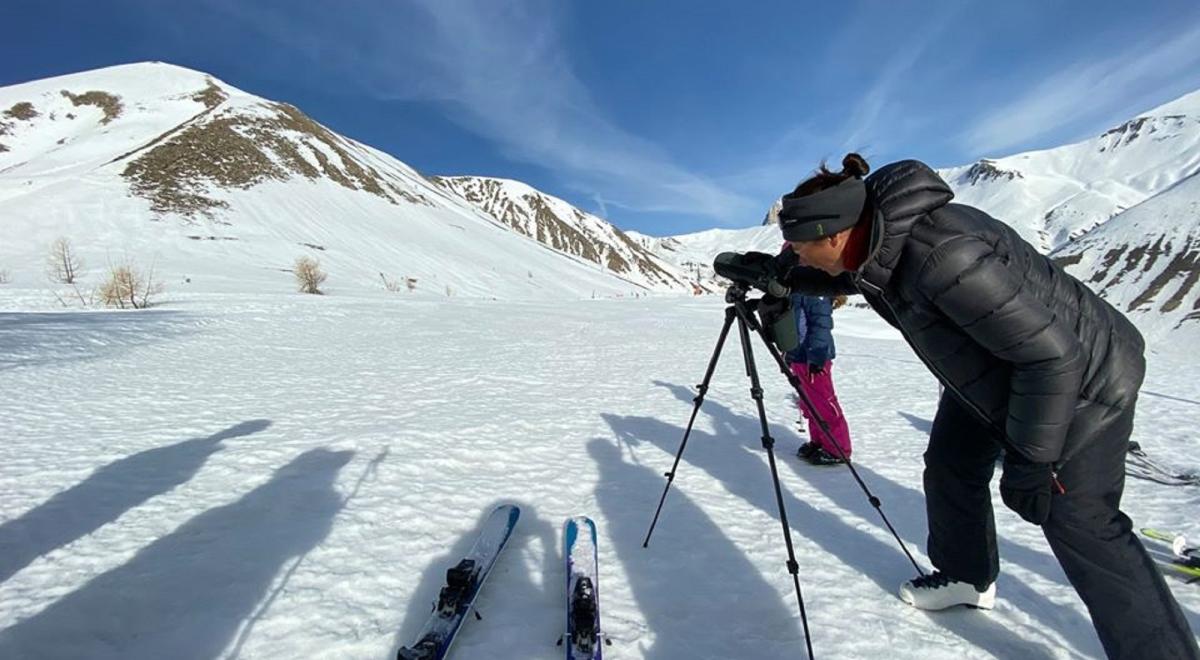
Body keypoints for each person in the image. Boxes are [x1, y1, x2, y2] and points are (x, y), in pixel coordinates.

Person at [769, 153, 1198, 659]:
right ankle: (967, 577)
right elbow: (856, 276)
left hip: (1082, 381)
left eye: (798, 248)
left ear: (836, 234)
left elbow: (1052, 357)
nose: (794, 255)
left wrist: (1033, 461)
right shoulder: (881, 240)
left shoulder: (942, 255)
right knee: (951, 465)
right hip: (995, 369)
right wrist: (781, 275)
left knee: (1080, 520)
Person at [784, 292, 853, 465]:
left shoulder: (816, 290)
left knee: (823, 403)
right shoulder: (798, 287)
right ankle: (819, 441)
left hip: (814, 356)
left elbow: (821, 325)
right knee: (809, 403)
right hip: (799, 354)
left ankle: (838, 449)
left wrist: (817, 355)